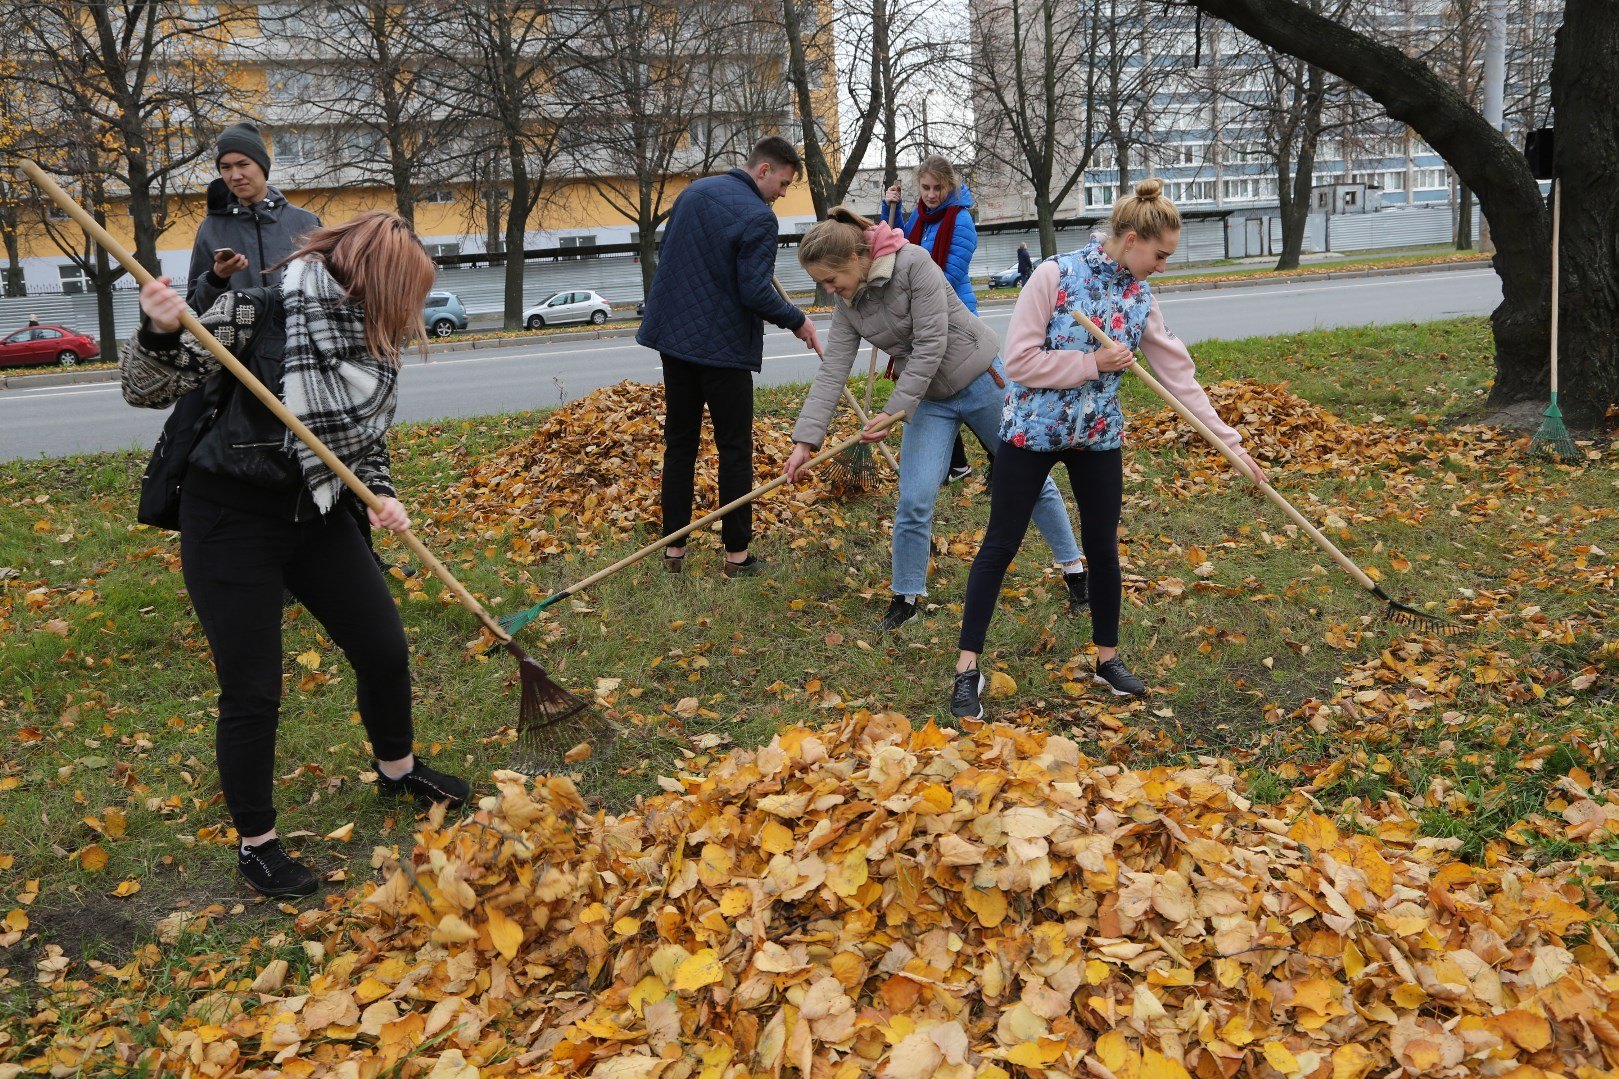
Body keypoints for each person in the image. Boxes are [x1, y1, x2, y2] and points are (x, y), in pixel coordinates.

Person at [122, 211, 470, 899]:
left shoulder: (367, 334)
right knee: (253, 688)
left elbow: (361, 435)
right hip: (229, 518)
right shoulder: (258, 309)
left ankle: (397, 768)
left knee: (382, 646)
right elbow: (145, 387)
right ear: (370, 280)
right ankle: (257, 845)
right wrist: (159, 330)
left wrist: (379, 494)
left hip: (314, 511)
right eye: (406, 294)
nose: (409, 312)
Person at [949, 179, 1267, 721]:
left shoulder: (1139, 295)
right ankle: (966, 671)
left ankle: (1107, 659)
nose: (1163, 265)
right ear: (1128, 237)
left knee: (1103, 546)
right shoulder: (1055, 277)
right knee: (1000, 544)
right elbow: (1018, 362)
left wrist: (1231, 444)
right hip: (1031, 432)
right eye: (1160, 254)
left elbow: (1178, 377)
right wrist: (1091, 364)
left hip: (1097, 435)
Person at [784, 208, 1088, 632]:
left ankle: (1076, 572)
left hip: (982, 378)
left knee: (1029, 478)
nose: (828, 289)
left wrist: (892, 410)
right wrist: (805, 442)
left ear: (855, 258)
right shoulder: (848, 302)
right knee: (914, 496)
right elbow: (833, 369)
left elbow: (931, 343)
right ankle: (906, 595)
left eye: (830, 279)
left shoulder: (913, 263)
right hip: (928, 396)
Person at [638, 136, 822, 577]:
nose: (782, 192)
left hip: (675, 343)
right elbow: (755, 291)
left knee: (679, 446)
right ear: (763, 170)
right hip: (723, 352)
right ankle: (737, 556)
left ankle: (673, 552)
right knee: (734, 450)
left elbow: (676, 258)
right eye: (783, 182)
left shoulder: (694, 192)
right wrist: (798, 320)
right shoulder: (760, 218)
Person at [885, 156, 985, 484]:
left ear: (949, 185)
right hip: (928, 315)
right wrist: (893, 210)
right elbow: (901, 244)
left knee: (969, 395)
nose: (930, 194)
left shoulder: (960, 220)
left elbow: (950, 274)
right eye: (925, 187)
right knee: (936, 389)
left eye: (937, 187)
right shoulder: (923, 217)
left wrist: (910, 296)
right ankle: (956, 465)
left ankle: (1001, 457)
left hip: (957, 315)